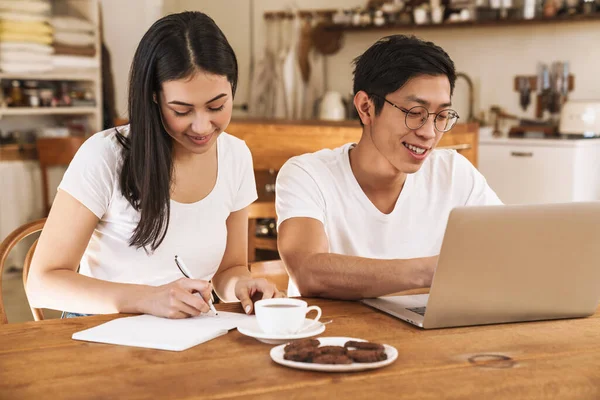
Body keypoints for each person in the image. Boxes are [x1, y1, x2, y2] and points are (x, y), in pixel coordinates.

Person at [27, 11, 283, 319]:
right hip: (102, 333)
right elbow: (42, 282)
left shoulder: (236, 156)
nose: (202, 127)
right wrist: (146, 299)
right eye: (182, 110)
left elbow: (230, 269)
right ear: (153, 98)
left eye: (217, 106)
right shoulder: (105, 155)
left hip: (189, 332)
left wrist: (244, 284)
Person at [276, 35, 502, 300]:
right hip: (333, 335)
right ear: (366, 108)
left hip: (428, 336)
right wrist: (433, 271)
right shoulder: (308, 174)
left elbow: (506, 247)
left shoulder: (454, 173)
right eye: (415, 113)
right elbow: (308, 272)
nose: (429, 133)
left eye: (441, 116)